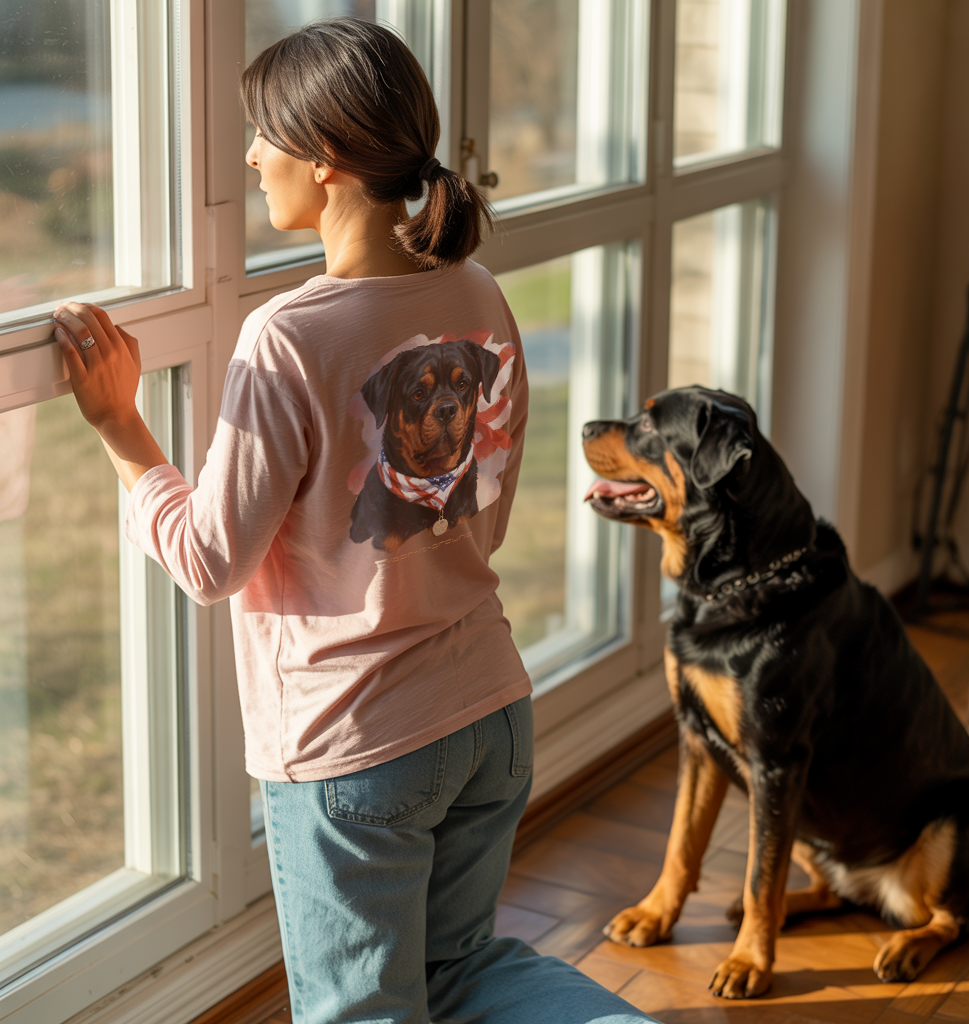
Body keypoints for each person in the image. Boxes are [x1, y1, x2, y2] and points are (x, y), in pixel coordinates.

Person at [52, 18, 660, 1024]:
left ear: (326, 156)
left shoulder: (289, 336)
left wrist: (122, 428)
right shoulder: (476, 292)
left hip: (360, 746)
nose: (252, 157)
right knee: (465, 971)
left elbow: (208, 560)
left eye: (264, 135)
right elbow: (484, 514)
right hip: (491, 712)